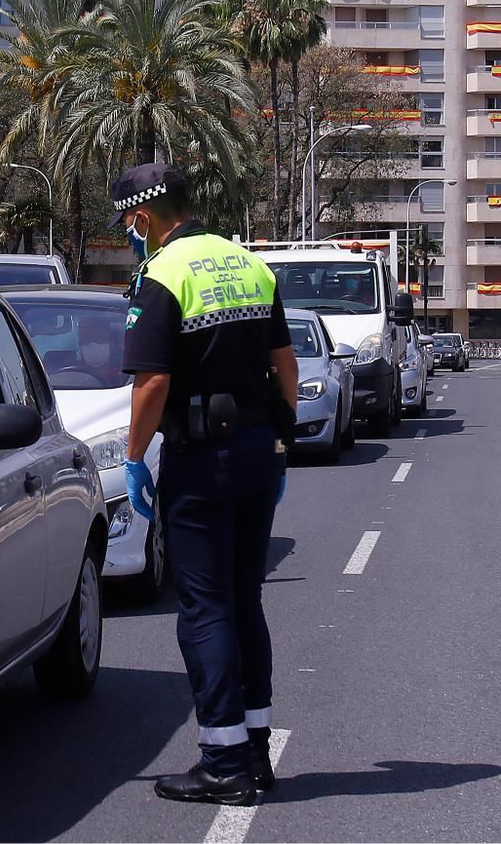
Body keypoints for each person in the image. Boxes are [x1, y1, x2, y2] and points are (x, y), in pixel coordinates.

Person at [114, 162, 299, 806]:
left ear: (141, 219)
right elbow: (286, 367)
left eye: (129, 226)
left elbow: (153, 383)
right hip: (256, 451)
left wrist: (135, 458)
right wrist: (278, 446)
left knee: (204, 606)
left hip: (201, 455)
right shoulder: (248, 264)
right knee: (245, 598)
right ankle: (255, 749)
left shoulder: (161, 276)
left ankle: (223, 763)